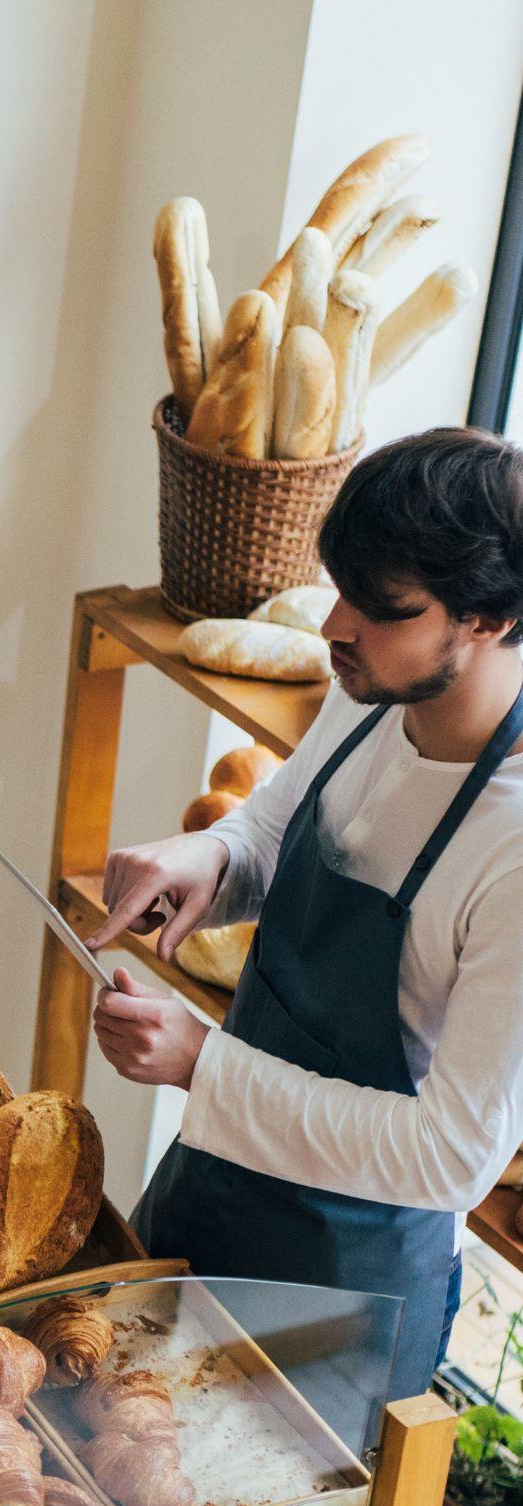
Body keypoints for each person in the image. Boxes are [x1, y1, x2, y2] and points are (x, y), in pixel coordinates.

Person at [86, 427, 523, 1403]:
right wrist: (212, 856)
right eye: (340, 588)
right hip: (212, 1186)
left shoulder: (516, 849)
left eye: (382, 609)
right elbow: (282, 819)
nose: (337, 626)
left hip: (345, 1295)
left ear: (488, 618)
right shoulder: (374, 683)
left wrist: (203, 1062)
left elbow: (453, 1157)